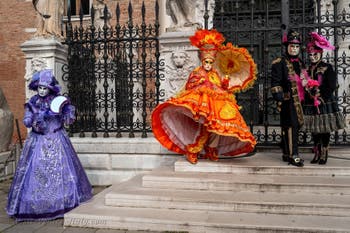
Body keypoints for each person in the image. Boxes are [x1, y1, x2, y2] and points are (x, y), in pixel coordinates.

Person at [152, 29, 256, 164]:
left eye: (210, 63)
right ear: (202, 61)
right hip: (202, 105)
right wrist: (202, 82)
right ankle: (193, 150)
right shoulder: (197, 72)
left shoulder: (215, 74)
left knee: (217, 127)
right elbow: (190, 85)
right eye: (206, 62)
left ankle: (212, 149)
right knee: (203, 128)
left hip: (217, 105)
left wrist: (224, 81)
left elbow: (221, 87)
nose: (208, 65)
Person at [6, 69, 92, 221]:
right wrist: (31, 119)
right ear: (36, 87)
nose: (42, 90)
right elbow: (27, 119)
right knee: (35, 172)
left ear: (50, 88)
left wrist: (67, 113)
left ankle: (62, 202)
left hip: (57, 139)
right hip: (38, 141)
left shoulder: (58, 100)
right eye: (40, 87)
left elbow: (68, 120)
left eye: (45, 88)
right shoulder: (33, 102)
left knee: (61, 172)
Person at [302, 32, 345, 164]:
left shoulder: (327, 67)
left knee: (324, 128)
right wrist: (306, 89)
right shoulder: (307, 70)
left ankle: (324, 153)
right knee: (314, 129)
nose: (313, 57)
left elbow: (331, 85)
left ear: (320, 53)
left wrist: (321, 98)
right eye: (310, 55)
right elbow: (303, 84)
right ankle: (317, 152)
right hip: (311, 102)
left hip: (324, 102)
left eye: (315, 54)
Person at [270, 29, 306, 167]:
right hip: (288, 100)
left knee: (292, 127)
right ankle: (293, 155)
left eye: (297, 46)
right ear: (287, 47)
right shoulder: (279, 62)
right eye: (292, 46)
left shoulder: (301, 63)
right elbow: (275, 82)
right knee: (290, 127)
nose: (294, 49)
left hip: (300, 101)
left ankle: (286, 153)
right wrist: (280, 97)